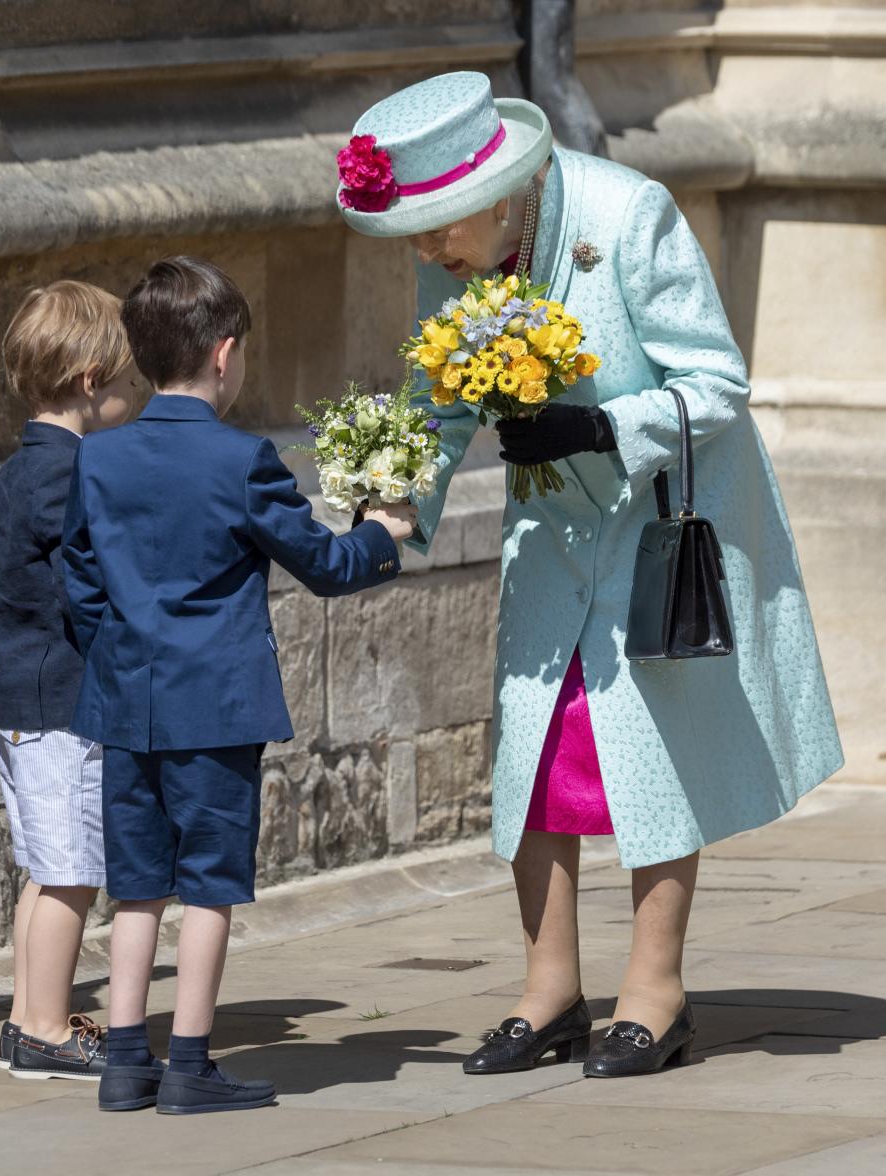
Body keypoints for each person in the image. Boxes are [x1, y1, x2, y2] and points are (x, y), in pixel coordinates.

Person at [337, 72, 843, 1078]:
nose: (429, 254)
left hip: (657, 518)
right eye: (418, 236)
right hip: (551, 526)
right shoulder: (461, 250)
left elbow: (716, 385)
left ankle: (654, 992)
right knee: (537, 752)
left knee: (648, 752)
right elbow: (431, 400)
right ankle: (550, 990)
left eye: (438, 231)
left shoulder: (629, 212)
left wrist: (604, 423)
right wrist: (384, 515)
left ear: (493, 193)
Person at [63, 256, 415, 1114]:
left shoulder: (99, 459)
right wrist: (382, 532)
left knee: (137, 885)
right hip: (214, 705)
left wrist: (119, 651)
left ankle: (123, 1064)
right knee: (212, 884)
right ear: (225, 355)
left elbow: (77, 580)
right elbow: (325, 565)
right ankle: (187, 1062)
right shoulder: (242, 459)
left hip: (125, 699)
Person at [0, 280, 137, 1079]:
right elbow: (92, 587)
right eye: (125, 380)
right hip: (57, 705)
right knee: (71, 872)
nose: (131, 395)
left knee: (48, 870)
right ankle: (44, 1028)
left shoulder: (26, 465)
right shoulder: (63, 474)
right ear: (88, 381)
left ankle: (25, 1018)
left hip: (28, 700)